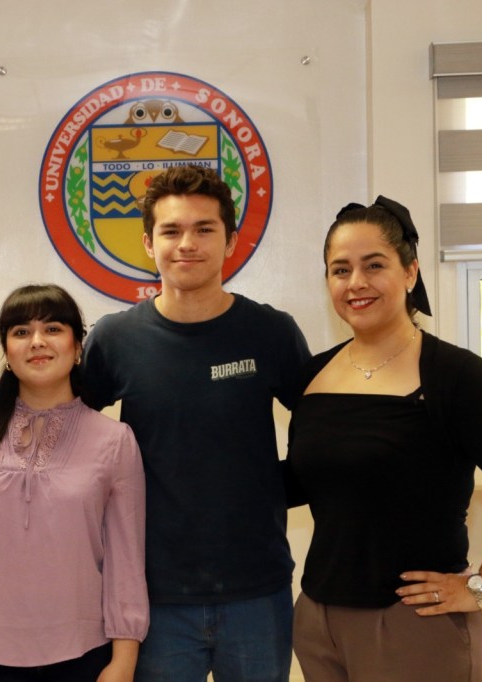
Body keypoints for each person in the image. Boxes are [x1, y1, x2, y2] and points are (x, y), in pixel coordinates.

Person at [285, 196, 482, 682]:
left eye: (374, 265)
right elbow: (313, 481)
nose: (356, 283)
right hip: (318, 622)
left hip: (416, 627)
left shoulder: (454, 375)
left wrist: (481, 587)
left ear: (410, 272)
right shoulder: (313, 376)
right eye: (340, 269)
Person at [80, 165, 311, 682]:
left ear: (230, 240)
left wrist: (275, 487)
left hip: (258, 590)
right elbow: (70, 438)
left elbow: (327, 433)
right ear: (148, 243)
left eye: (205, 229)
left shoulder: (271, 332)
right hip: (153, 596)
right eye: (171, 230)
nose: (188, 244)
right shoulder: (115, 339)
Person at [0, 284, 149, 682]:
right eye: (21, 331)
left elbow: (125, 560)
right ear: (6, 352)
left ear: (78, 347)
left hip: (83, 654)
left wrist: (124, 658)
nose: (37, 342)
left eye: (53, 329)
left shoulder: (115, 440)